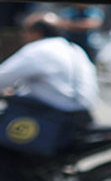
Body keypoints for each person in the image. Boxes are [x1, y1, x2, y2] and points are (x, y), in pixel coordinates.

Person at [0, 12, 99, 173]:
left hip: (54, 116)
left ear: (36, 33)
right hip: (81, 114)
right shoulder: (74, 49)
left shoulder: (39, 49)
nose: (23, 36)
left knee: (6, 146)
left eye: (25, 31)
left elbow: (3, 77)